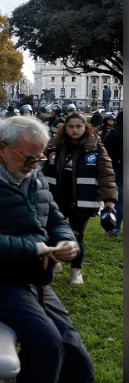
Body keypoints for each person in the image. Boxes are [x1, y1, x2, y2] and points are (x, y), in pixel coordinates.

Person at [0, 116, 95, 383]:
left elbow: (54, 219)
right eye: (28, 158)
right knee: (46, 344)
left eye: (39, 158)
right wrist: (32, 248)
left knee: (75, 354)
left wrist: (64, 240)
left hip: (32, 276)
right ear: (2, 148)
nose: (34, 165)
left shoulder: (32, 174)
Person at [42, 111, 118, 285]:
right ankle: (55, 262)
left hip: (83, 201)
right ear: (65, 128)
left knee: (77, 236)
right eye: (71, 126)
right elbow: (41, 168)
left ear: (85, 127)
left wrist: (109, 202)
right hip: (56, 200)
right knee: (52, 233)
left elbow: (106, 176)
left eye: (78, 126)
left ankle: (75, 271)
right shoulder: (54, 146)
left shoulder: (96, 148)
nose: (74, 130)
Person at [102, 111, 123, 236]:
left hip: (115, 168)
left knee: (116, 199)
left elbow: (105, 152)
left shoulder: (113, 133)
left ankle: (114, 228)